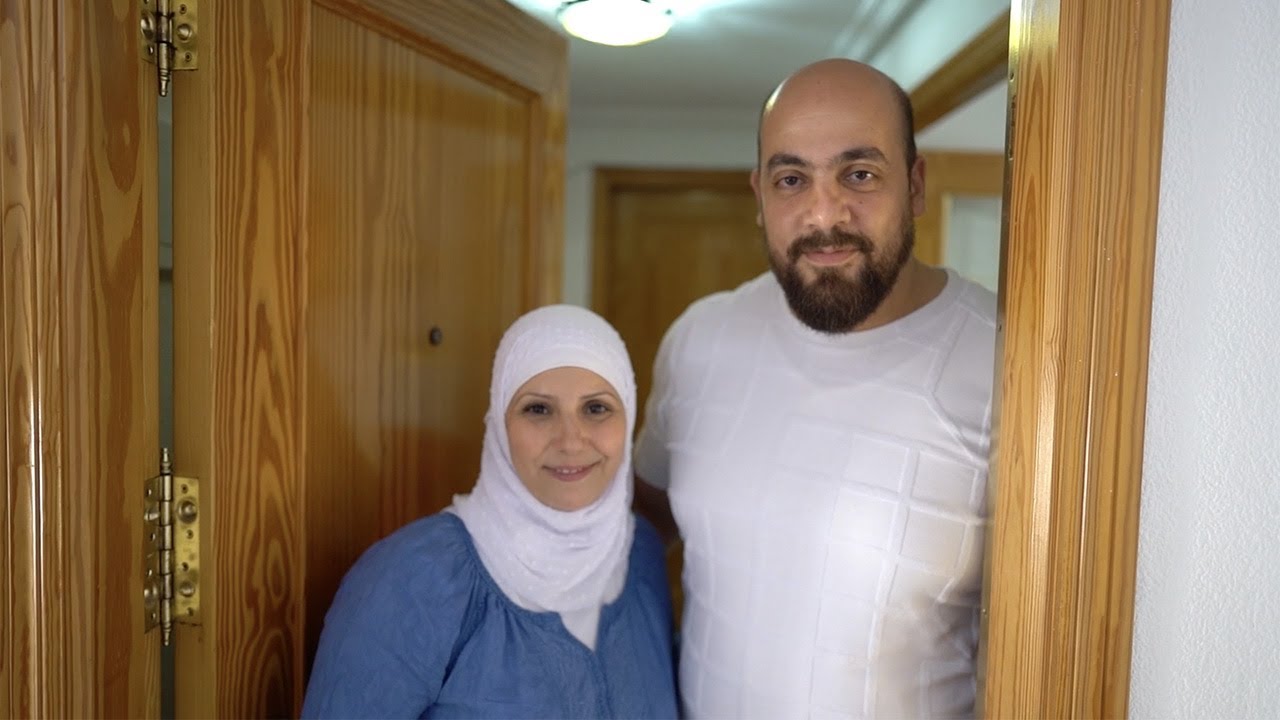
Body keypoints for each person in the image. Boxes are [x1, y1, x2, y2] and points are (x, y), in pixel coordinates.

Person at [634, 58, 997, 718]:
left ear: (915, 185)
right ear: (760, 196)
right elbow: (642, 521)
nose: (825, 214)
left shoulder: (1005, 362)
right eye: (792, 179)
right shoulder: (699, 339)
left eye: (859, 174)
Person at [302, 305, 678, 719]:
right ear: (499, 424)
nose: (571, 441)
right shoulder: (409, 580)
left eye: (596, 408)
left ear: (628, 417)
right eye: (538, 409)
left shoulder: (640, 554)